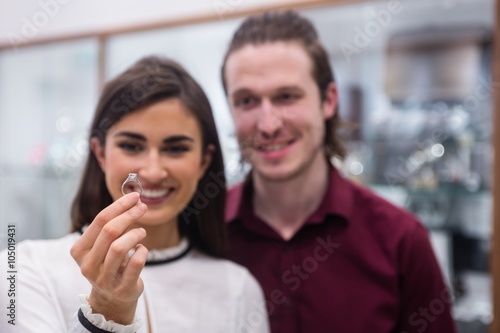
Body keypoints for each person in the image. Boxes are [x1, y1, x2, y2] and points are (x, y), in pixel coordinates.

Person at [220, 10, 457, 333]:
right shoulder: (206, 232)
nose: (268, 124)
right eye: (246, 101)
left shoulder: (401, 241)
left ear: (328, 100)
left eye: (286, 96)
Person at [0, 56, 269, 333]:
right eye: (131, 146)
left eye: (176, 149)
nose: (152, 172)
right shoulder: (23, 269)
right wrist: (106, 311)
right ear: (100, 153)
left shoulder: (238, 289)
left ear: (203, 161)